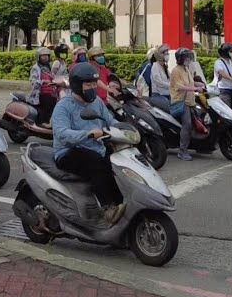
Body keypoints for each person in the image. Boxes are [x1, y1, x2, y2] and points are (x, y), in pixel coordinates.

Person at [51, 62, 124, 224]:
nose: (92, 88)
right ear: (77, 85)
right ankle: (107, 208)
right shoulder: (63, 106)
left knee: (119, 162)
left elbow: (110, 120)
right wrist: (88, 134)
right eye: (88, 85)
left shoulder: (97, 101)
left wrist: (125, 129)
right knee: (97, 163)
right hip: (68, 152)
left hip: (95, 147)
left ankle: (121, 202)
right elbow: (62, 134)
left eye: (94, 84)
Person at [170, 48, 202, 161]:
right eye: (186, 57)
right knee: (187, 125)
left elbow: (190, 82)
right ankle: (182, 151)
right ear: (180, 58)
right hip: (181, 102)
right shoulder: (176, 71)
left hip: (190, 101)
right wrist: (194, 88)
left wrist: (200, 84)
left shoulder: (186, 69)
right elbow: (180, 86)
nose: (188, 59)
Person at [27, 46, 61, 125]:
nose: (45, 58)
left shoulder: (48, 67)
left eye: (47, 56)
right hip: (41, 92)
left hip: (51, 91)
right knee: (47, 103)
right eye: (43, 56)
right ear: (39, 57)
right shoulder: (36, 68)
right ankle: (43, 123)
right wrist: (43, 81)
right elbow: (33, 81)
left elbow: (53, 77)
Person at [213, 42, 232, 112]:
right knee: (227, 111)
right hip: (223, 90)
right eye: (231, 51)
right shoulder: (218, 62)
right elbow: (221, 73)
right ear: (225, 52)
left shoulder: (229, 62)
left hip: (231, 89)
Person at [142, 44, 172, 110]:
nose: (167, 56)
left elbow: (171, 78)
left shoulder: (164, 66)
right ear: (160, 55)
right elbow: (159, 82)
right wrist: (171, 85)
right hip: (158, 96)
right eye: (166, 54)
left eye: (168, 54)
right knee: (170, 110)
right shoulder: (155, 67)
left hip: (167, 94)